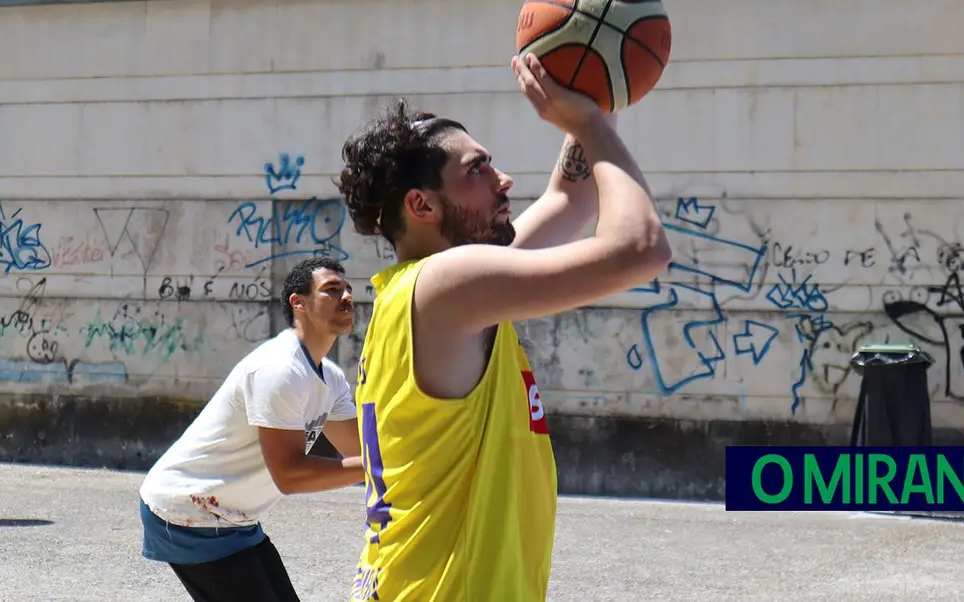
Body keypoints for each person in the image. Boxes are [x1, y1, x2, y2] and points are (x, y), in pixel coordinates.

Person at [334, 30, 673, 597]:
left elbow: (572, 198)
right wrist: (588, 125)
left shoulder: (430, 291)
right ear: (421, 205)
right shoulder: (448, 285)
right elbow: (641, 249)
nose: (503, 181)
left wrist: (598, 90)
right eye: (478, 170)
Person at [138, 256, 365, 602]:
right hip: (189, 514)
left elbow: (360, 451)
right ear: (298, 303)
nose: (347, 296)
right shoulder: (280, 369)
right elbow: (289, 475)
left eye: (348, 289)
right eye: (333, 290)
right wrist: (381, 468)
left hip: (235, 521)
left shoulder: (329, 377)